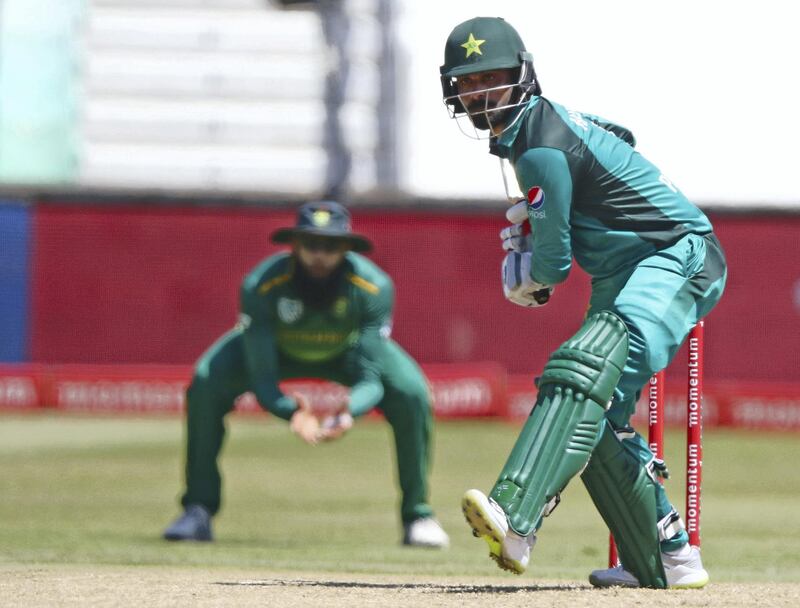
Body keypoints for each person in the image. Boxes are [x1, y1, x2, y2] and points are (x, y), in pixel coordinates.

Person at [440, 17, 727, 588]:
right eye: (468, 83)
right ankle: (670, 556)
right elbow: (619, 136)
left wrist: (532, 279)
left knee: (579, 369)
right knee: (592, 416)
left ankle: (516, 517)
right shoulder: (544, 132)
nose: (481, 94)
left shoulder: (539, 147)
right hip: (626, 268)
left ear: (522, 76)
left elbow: (556, 265)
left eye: (492, 78)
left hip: (676, 254)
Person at [162, 201, 449, 549]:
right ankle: (197, 510)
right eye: (311, 244)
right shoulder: (262, 285)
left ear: (345, 248)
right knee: (207, 381)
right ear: (294, 245)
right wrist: (292, 411)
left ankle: (417, 515)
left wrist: (347, 410)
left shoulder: (373, 287)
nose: (319, 255)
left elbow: (370, 378)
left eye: (330, 246)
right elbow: (262, 376)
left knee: (411, 392)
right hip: (276, 352)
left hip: (346, 352)